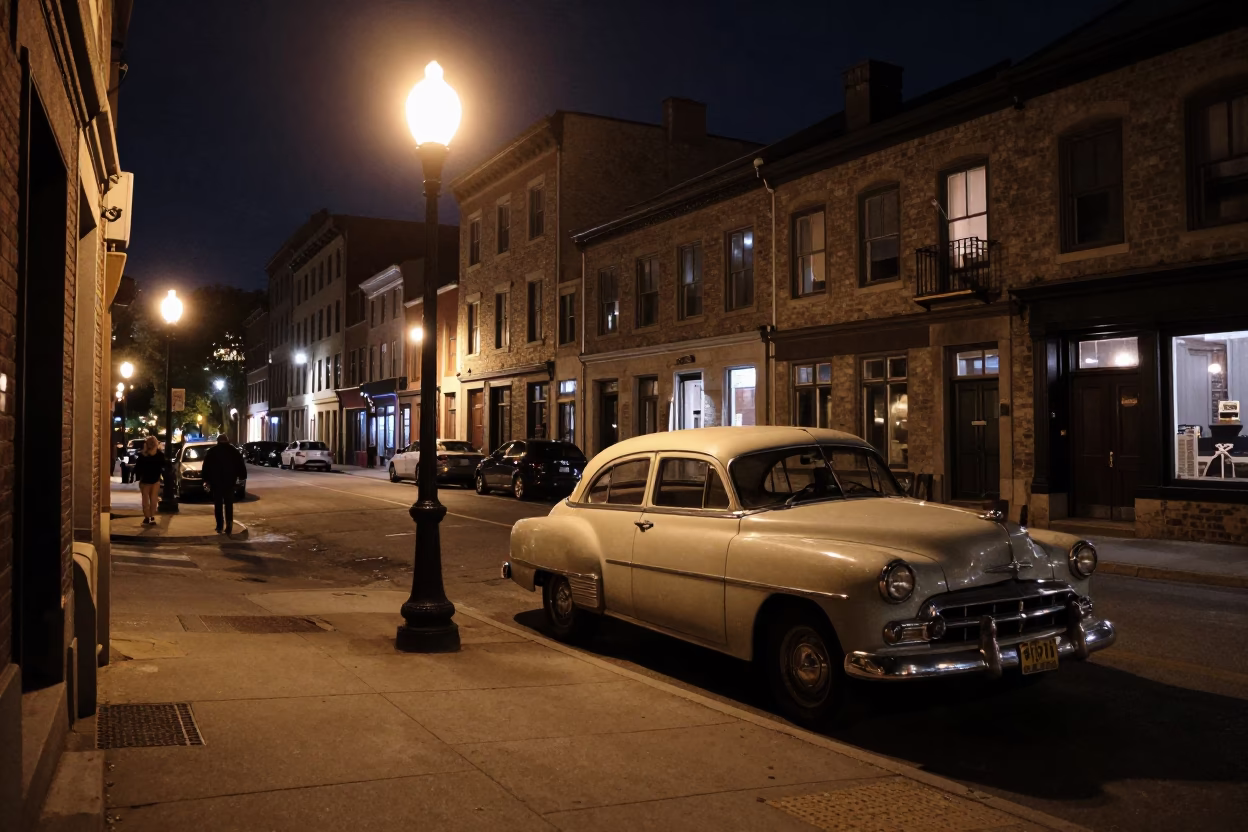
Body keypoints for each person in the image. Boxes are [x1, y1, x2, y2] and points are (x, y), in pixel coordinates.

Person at [202, 434, 247, 534]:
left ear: (218, 441)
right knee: (228, 504)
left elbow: (206, 467)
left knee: (218, 504)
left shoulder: (212, 452)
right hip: (229, 481)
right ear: (227, 441)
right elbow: (241, 465)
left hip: (216, 482)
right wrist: (241, 477)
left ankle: (219, 525)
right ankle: (229, 524)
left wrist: (206, 480)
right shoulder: (234, 451)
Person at [132, 436, 165, 524]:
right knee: (154, 499)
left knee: (145, 499)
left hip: (145, 480)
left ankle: (147, 516)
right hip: (155, 480)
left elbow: (137, 468)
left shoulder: (143, 455)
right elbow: (164, 465)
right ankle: (152, 516)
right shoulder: (159, 455)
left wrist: (137, 476)